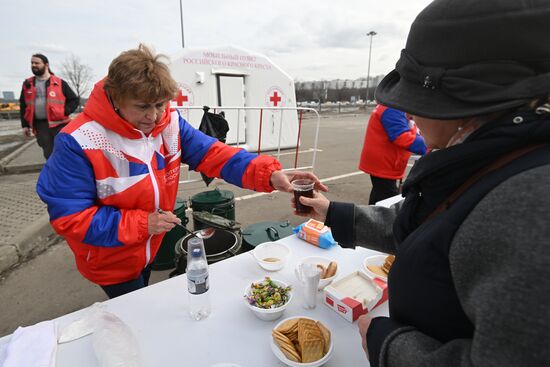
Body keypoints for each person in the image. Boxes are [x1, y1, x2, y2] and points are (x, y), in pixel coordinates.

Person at [294, 0, 550, 366]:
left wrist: (390, 347)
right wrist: (334, 212)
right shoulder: (491, 154)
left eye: (419, 100)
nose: (411, 112)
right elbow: (433, 221)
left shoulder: (531, 206)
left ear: (466, 105)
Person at [36, 44, 327, 299]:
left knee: (146, 295)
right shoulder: (79, 141)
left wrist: (269, 174)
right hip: (111, 260)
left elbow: (215, 154)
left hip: (151, 245)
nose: (153, 116)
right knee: (135, 317)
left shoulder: (169, 123)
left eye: (160, 104)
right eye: (142, 107)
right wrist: (142, 225)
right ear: (115, 97)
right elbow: (70, 217)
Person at [359, 104, 426, 204]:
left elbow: (411, 130)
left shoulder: (395, 107)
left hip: (386, 162)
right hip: (383, 163)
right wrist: (429, 145)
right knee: (390, 200)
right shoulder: (392, 109)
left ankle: (369, 217)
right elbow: (401, 136)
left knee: (379, 194)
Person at [19, 53, 79, 159]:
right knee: (49, 153)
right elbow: (23, 106)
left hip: (60, 124)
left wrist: (65, 111)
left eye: (37, 63)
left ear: (46, 65)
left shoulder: (59, 83)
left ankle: (66, 173)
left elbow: (74, 100)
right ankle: (54, 173)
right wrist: (25, 125)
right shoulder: (27, 84)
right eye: (32, 63)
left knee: (65, 151)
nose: (33, 65)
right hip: (41, 126)